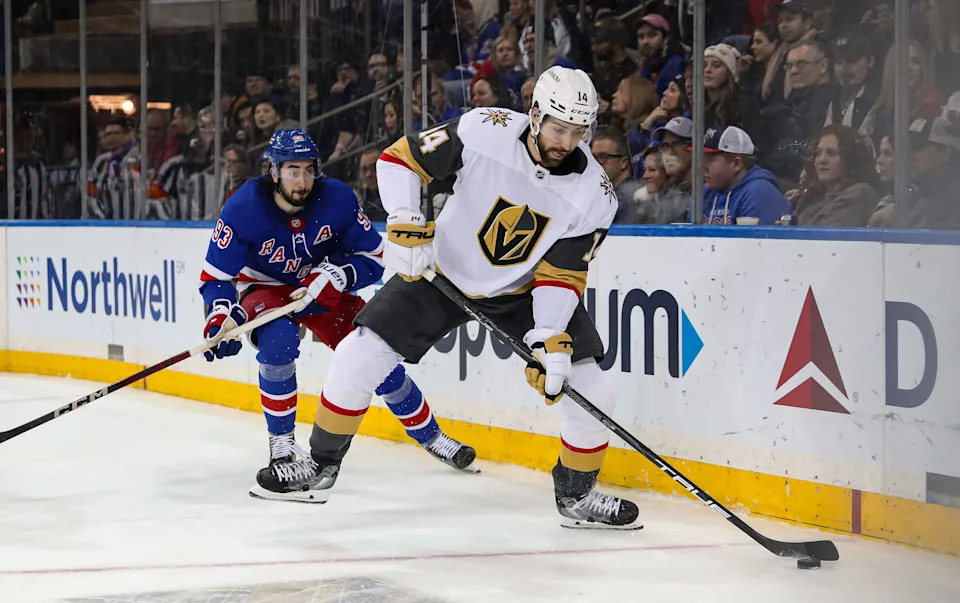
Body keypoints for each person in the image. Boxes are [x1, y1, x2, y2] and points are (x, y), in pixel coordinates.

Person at [285, 67, 642, 529]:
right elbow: (399, 160)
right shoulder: (484, 128)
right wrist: (406, 219)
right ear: (535, 114)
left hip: (525, 290)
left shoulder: (596, 195)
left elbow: (563, 271)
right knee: (358, 355)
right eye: (558, 127)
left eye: (578, 131)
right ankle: (320, 465)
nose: (567, 141)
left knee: (596, 389)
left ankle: (576, 496)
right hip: (441, 272)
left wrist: (548, 335)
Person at [198, 129, 478, 503]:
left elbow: (377, 260)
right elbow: (217, 277)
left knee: (371, 353)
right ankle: (282, 448)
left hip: (322, 288)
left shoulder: (337, 199)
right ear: (274, 171)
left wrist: (338, 274)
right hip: (265, 289)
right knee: (278, 341)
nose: (301, 181)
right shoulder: (243, 206)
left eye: (308, 170)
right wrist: (221, 317)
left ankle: (431, 436)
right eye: (292, 170)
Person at [791, 125, 880, 226]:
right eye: (818, 153)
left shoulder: (860, 194)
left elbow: (824, 238)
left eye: (831, 153)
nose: (822, 160)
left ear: (850, 159)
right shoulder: (814, 195)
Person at [699, 126, 790, 225]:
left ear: (736, 164)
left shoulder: (759, 192)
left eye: (710, 160)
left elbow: (758, 240)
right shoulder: (706, 192)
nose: (703, 167)